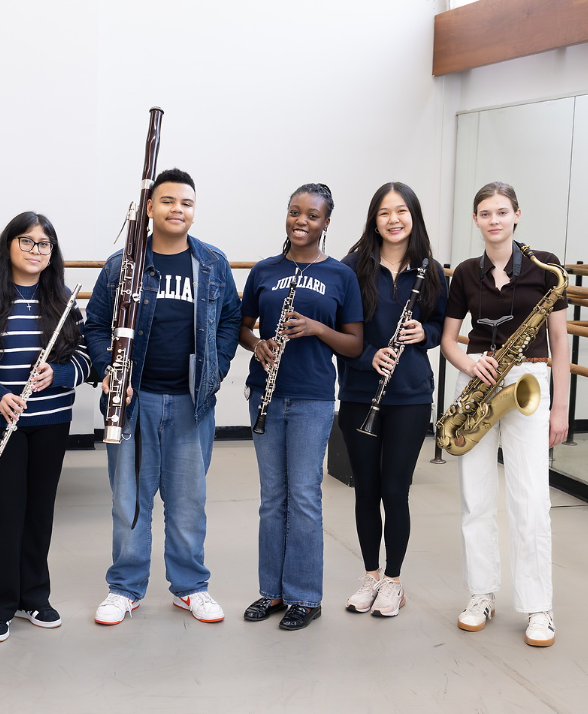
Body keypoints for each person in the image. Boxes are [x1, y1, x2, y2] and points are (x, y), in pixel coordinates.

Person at [84, 168, 241, 626]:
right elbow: (95, 325)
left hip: (193, 404)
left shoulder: (212, 263)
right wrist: (108, 370)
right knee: (129, 500)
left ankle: (191, 587)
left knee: (188, 501)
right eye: (168, 201)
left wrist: (218, 368)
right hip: (136, 403)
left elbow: (230, 319)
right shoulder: (122, 265)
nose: (178, 209)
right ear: (149, 208)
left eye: (187, 203)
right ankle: (125, 588)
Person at [0, 212, 89, 643]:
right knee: (5, 513)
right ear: (8, 244)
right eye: (27, 241)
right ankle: (0, 604)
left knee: (39, 512)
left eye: (44, 244)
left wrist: (58, 375)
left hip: (51, 420)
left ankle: (34, 597)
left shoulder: (62, 297)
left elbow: (84, 360)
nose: (35, 251)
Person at [440, 181, 569, 647]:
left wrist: (560, 408)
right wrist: (469, 362)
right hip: (478, 382)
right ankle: (481, 594)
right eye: (485, 213)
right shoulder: (465, 274)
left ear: (517, 215)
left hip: (529, 385)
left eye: (501, 212)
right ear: (475, 220)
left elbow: (560, 343)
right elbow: (449, 339)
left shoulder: (545, 269)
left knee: (531, 500)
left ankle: (539, 607)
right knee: (476, 499)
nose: (493, 220)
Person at [238, 183, 363, 630]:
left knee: (305, 497)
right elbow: (243, 325)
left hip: (311, 398)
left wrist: (314, 327)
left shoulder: (340, 276)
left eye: (312, 215)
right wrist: (258, 346)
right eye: (294, 212)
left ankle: (305, 597)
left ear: (326, 222)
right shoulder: (265, 271)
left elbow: (353, 344)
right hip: (265, 394)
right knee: (273, 498)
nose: (301, 221)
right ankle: (271, 592)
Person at [338, 182, 448, 618]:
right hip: (360, 392)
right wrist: (368, 357)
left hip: (410, 396)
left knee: (394, 490)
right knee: (365, 489)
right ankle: (370, 575)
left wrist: (427, 333)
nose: (394, 219)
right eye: (384, 212)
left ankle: (394, 582)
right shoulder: (353, 268)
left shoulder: (432, 270)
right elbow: (338, 333)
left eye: (402, 211)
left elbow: (442, 325)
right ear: (374, 220)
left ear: (413, 217)